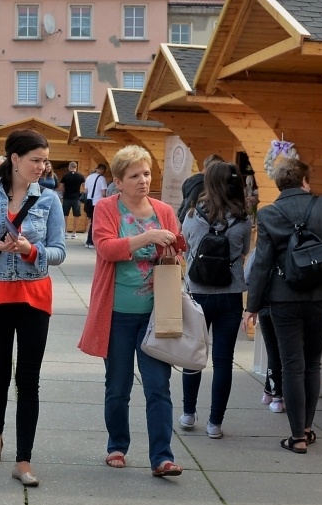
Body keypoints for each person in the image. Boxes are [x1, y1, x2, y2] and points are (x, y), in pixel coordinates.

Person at [0, 129, 66, 487]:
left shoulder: (49, 200)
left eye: (44, 160)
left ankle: (24, 458)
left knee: (29, 380)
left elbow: (59, 251)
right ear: (14, 159)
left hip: (35, 296)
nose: (42, 166)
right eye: (35, 159)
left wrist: (31, 251)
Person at [79, 145, 185, 477]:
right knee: (118, 386)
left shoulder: (164, 210)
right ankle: (117, 446)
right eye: (135, 175)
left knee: (158, 386)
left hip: (156, 315)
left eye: (147, 174)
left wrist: (172, 251)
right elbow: (107, 248)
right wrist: (148, 237)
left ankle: (162, 457)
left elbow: (178, 252)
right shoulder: (107, 209)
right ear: (118, 181)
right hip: (117, 314)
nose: (143, 181)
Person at [244, 157, 322, 454]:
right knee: (313, 363)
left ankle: (296, 436)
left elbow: (262, 264)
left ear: (279, 184)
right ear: (305, 181)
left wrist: (252, 305)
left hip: (284, 298)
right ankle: (307, 429)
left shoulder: (270, 214)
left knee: (291, 364)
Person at [179, 160, 250, 439]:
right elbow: (244, 251)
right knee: (223, 361)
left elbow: (185, 246)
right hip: (230, 296)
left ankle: (187, 413)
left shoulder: (193, 215)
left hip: (197, 294)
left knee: (192, 356)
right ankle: (215, 423)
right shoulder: (243, 220)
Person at [179, 154, 221, 219]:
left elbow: (184, 205)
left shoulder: (192, 180)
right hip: (192, 221)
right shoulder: (201, 183)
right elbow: (190, 204)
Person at [82, 162, 109, 247]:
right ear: (102, 170)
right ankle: (90, 241)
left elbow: (85, 190)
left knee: (91, 221)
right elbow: (104, 192)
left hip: (88, 201)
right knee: (95, 223)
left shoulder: (89, 177)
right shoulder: (102, 179)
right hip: (97, 202)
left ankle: (88, 241)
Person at [59, 160, 86, 238]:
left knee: (65, 215)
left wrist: (63, 192)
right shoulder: (80, 176)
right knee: (76, 216)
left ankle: (65, 232)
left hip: (67, 198)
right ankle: (74, 233)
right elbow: (84, 188)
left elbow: (61, 187)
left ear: (69, 167)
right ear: (76, 167)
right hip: (76, 198)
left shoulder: (65, 176)